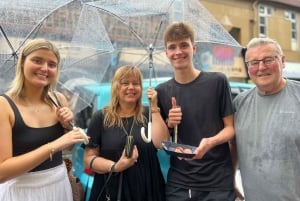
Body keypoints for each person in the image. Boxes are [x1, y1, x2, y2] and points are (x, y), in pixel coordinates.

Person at [156, 22, 236, 201]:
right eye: (172, 47)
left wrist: (211, 142)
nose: (178, 52)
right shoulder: (162, 91)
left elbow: (230, 128)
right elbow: (160, 141)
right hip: (180, 184)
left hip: (218, 183)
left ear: (194, 48)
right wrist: (169, 123)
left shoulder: (217, 81)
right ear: (166, 53)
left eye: (184, 45)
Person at [0, 39, 87, 201]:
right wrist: (54, 145)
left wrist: (67, 127)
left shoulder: (59, 100)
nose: (45, 68)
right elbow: (2, 172)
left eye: (52, 64)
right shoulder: (4, 106)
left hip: (59, 186)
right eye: (37, 60)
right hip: (21, 192)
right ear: (22, 63)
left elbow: (68, 146)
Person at [83, 65, 169, 201]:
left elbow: (162, 143)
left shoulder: (150, 114)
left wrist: (154, 107)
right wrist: (115, 167)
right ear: (116, 87)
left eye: (136, 83)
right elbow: (88, 159)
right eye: (125, 83)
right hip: (112, 189)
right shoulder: (101, 117)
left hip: (147, 189)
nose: (131, 87)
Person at [232, 37, 300, 201]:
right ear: (248, 68)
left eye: (268, 60)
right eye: (253, 63)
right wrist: (231, 181)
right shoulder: (239, 104)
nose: (261, 67)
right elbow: (233, 145)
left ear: (282, 61)